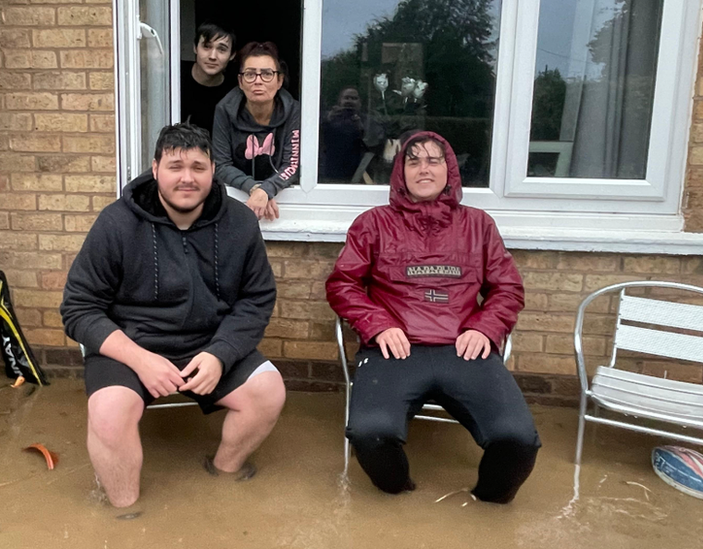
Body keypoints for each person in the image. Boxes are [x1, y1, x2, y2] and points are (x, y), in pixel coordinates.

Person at [61, 123, 285, 508]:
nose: (187, 177)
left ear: (213, 170)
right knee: (109, 413)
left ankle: (222, 474)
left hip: (209, 344)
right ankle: (125, 512)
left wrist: (221, 353)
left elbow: (257, 298)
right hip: (133, 347)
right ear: (155, 168)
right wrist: (141, 360)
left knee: (269, 391)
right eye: (175, 166)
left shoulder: (240, 223)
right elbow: (79, 308)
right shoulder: (116, 223)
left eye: (198, 167)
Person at [325, 131, 540, 504]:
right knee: (370, 435)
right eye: (414, 161)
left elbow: (508, 289)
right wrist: (379, 325)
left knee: (518, 440)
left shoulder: (479, 225)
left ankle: (486, 504)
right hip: (395, 349)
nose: (423, 168)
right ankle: (399, 491)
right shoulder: (372, 224)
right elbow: (343, 285)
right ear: (400, 172)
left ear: (449, 169)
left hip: (464, 348)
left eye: (433, 160)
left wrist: (485, 327)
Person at [213, 41, 300, 221]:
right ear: (240, 81)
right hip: (236, 198)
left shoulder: (294, 111)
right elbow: (220, 164)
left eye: (267, 74)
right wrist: (255, 189)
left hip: (283, 202)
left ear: (279, 81)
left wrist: (267, 190)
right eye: (250, 74)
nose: (258, 81)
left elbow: (293, 164)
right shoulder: (224, 110)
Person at [319, 87, 384, 182]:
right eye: (346, 98)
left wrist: (361, 127)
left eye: (354, 98)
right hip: (328, 173)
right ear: (339, 101)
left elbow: (374, 144)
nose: (350, 101)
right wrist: (328, 120)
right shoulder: (329, 118)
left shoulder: (367, 121)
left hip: (359, 174)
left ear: (360, 103)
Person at [181, 22, 236, 132]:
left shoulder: (234, 92)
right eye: (206, 47)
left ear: (232, 55)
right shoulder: (174, 76)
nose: (212, 56)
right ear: (195, 48)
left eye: (222, 49)